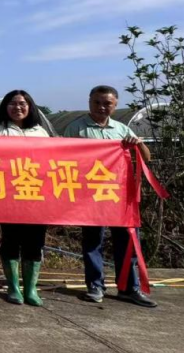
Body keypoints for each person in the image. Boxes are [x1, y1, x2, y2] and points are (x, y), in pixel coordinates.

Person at [63, 85, 156, 308]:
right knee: (92, 241)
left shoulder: (122, 129)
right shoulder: (76, 128)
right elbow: (62, 157)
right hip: (90, 195)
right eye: (97, 102)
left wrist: (138, 144)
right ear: (89, 102)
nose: (101, 107)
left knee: (127, 240)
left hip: (119, 195)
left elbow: (146, 158)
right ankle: (95, 286)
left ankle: (128, 288)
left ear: (115, 105)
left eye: (107, 103)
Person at [0, 90, 50, 306]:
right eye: (13, 104)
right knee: (10, 240)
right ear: (5, 107)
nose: (18, 108)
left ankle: (31, 288)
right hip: (9, 194)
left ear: (30, 107)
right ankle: (13, 287)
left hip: (36, 194)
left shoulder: (40, 132)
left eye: (22, 104)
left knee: (35, 242)